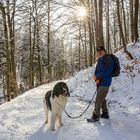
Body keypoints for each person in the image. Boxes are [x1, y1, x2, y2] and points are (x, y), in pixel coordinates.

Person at [87, 46, 114, 122]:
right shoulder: (99, 60)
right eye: (98, 52)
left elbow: (107, 71)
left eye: (101, 51)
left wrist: (98, 76)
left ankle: (96, 116)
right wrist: (96, 78)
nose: (99, 53)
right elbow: (97, 70)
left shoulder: (109, 59)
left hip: (105, 82)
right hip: (100, 82)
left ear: (104, 51)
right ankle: (105, 113)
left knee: (99, 99)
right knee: (102, 98)